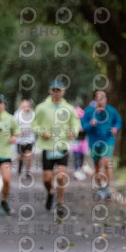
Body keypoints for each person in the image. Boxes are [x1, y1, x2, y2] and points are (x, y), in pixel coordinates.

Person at [32, 79, 81, 218]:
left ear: (63, 91)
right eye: (54, 89)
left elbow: (75, 123)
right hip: (47, 146)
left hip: (62, 146)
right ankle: (50, 192)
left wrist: (74, 132)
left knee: (60, 175)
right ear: (50, 91)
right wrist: (42, 132)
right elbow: (34, 124)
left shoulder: (69, 108)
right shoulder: (42, 107)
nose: (56, 92)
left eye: (59, 90)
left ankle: (60, 203)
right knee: (47, 178)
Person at [81, 90, 122, 199]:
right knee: (97, 167)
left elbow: (118, 121)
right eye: (99, 98)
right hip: (93, 141)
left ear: (106, 99)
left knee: (106, 163)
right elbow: (83, 126)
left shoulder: (111, 110)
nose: (101, 100)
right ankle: (101, 188)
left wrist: (115, 128)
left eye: (103, 97)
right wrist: (90, 124)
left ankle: (107, 187)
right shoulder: (89, 111)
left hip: (107, 140)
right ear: (95, 99)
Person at [13, 99, 36, 176]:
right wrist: (18, 132)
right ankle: (20, 167)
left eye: (27, 106)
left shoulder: (33, 114)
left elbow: (36, 125)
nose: (25, 108)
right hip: (20, 139)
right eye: (24, 106)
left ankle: (27, 171)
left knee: (28, 156)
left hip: (30, 139)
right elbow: (14, 125)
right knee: (21, 156)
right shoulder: (17, 114)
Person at [71, 104, 88, 181]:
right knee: (77, 157)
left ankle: (79, 170)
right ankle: (77, 170)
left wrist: (83, 128)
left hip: (83, 141)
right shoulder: (72, 121)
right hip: (75, 141)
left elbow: (87, 129)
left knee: (81, 157)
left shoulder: (84, 121)